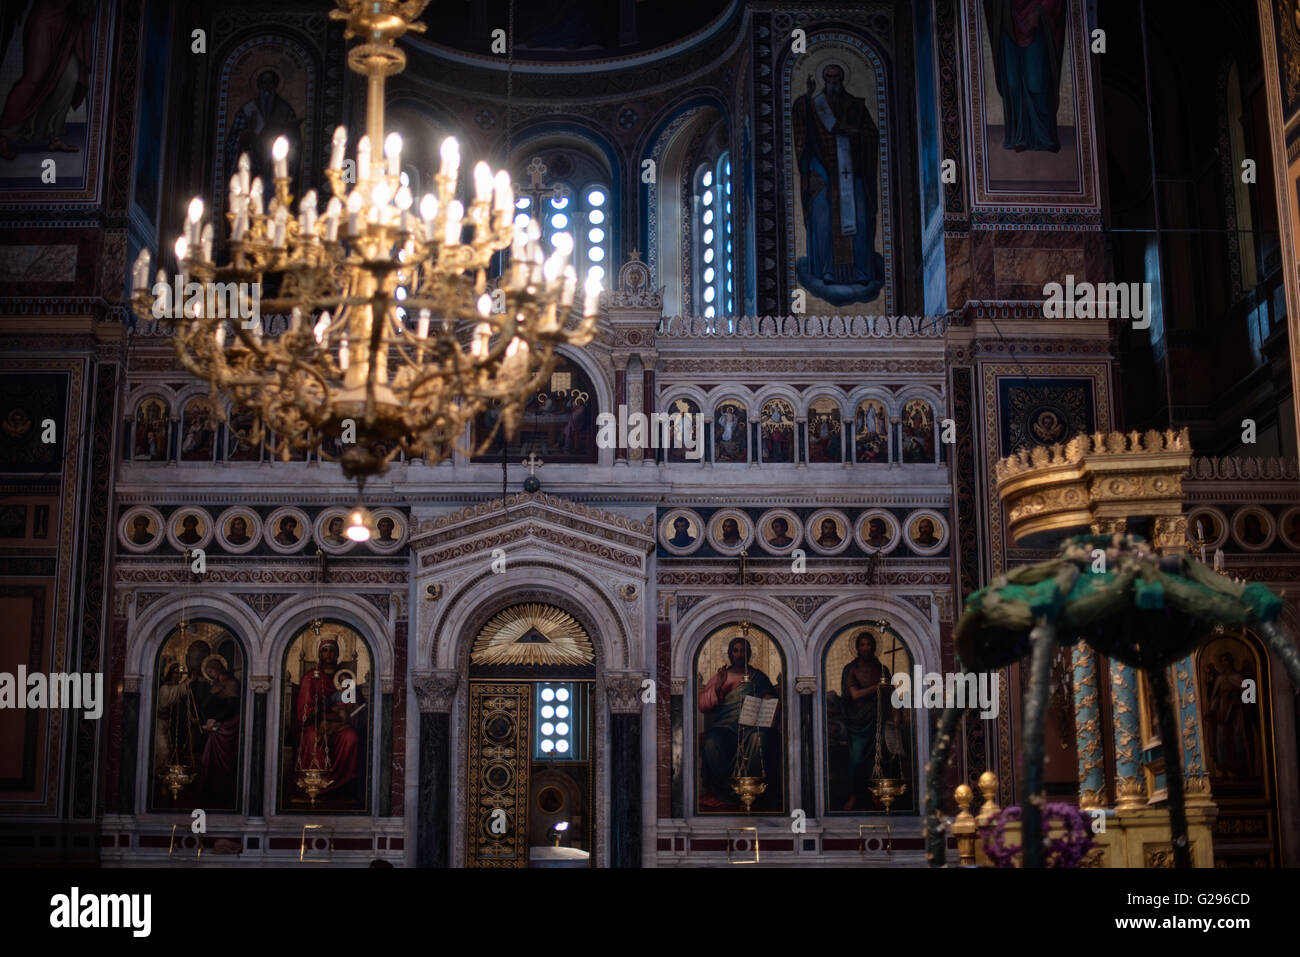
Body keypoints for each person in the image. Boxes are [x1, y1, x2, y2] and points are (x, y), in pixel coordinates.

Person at [792, 62, 886, 305]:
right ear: (824, 79)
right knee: (823, 222)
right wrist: (807, 96)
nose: (833, 80)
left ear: (842, 79)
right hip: (825, 174)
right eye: (829, 76)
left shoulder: (855, 105)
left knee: (860, 218)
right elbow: (804, 128)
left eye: (837, 76)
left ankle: (863, 273)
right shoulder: (814, 105)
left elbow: (871, 134)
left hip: (853, 173)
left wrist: (856, 134)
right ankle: (827, 272)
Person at [0, 0, 95, 160]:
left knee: (70, 77)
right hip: (46, 20)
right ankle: (3, 134)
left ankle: (54, 135)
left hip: (69, 25)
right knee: (34, 78)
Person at [698, 636, 778, 809]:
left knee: (760, 738)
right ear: (730, 653)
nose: (739, 654)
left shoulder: (759, 677)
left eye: (743, 650)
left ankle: (751, 791)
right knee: (712, 742)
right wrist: (718, 686)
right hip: (725, 727)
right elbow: (703, 704)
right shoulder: (722, 676)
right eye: (736, 650)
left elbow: (771, 700)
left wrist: (768, 698)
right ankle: (725, 792)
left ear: (749, 653)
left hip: (751, 727)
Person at [982, 0, 1068, 152]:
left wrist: (1039, 11)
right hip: (1008, 21)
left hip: (1035, 21)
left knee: (1036, 81)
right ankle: (1018, 136)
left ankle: (1044, 135)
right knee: (1012, 82)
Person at [840, 631, 899, 810]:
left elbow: (892, 694)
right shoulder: (851, 668)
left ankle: (877, 793)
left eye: (868, 644)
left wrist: (896, 715)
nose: (866, 647)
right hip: (858, 721)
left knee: (878, 758)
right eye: (862, 644)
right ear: (857, 647)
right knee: (857, 760)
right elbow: (854, 694)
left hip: (878, 718)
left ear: (874, 646)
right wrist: (876, 687)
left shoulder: (883, 669)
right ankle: (854, 795)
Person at [294, 638, 359, 797]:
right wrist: (324, 717)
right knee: (313, 737)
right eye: (325, 650)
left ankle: (340, 783)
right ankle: (314, 784)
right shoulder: (312, 677)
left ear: (337, 654)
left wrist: (337, 722)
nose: (328, 654)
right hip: (316, 722)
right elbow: (306, 709)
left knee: (351, 738)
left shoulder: (346, 677)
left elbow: (350, 708)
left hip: (339, 724)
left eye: (332, 650)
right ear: (319, 654)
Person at [196, 655, 241, 808]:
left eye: (211, 672)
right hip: (216, 727)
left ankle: (225, 792)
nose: (210, 675)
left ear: (218, 668)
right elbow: (205, 705)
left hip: (228, 726)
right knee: (209, 758)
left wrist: (217, 719)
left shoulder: (231, 683)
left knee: (224, 760)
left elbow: (232, 706)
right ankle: (211, 790)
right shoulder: (215, 685)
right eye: (208, 673)